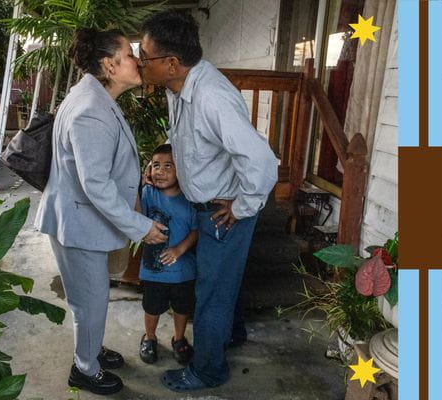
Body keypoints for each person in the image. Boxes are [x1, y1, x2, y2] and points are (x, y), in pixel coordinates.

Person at [138, 11, 279, 392]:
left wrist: (243, 206)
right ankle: (231, 335)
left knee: (211, 292)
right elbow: (192, 146)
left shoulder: (212, 96)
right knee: (220, 282)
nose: (139, 62)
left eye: (144, 55)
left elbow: (261, 162)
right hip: (208, 204)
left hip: (224, 210)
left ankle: (208, 370)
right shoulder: (178, 88)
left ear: (171, 63)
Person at [34, 28, 167, 396]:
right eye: (130, 54)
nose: (139, 60)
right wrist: (141, 226)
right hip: (78, 222)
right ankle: (84, 369)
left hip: (80, 219)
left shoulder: (95, 98)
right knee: (88, 300)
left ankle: (90, 348)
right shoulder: (91, 110)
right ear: (110, 65)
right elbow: (96, 185)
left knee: (91, 297)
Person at [138, 144, 198, 365]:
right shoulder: (148, 193)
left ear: (180, 170)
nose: (160, 171)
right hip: (154, 270)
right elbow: (136, 218)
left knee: (182, 307)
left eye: (168, 166)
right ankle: (150, 337)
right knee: (152, 307)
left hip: (183, 270)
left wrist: (179, 250)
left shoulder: (190, 198)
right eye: (156, 166)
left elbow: (195, 230)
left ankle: (179, 339)